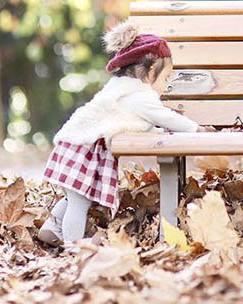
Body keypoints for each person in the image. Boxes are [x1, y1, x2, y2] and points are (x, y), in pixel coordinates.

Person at [37, 20, 200, 246]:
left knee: (72, 196)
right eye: (165, 78)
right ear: (151, 71)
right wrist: (195, 128)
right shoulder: (139, 94)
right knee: (79, 203)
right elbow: (163, 117)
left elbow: (138, 121)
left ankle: (51, 228)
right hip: (83, 148)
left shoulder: (121, 88)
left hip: (74, 145)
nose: (165, 85)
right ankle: (74, 246)